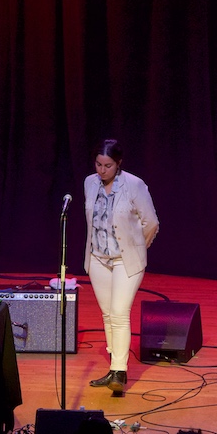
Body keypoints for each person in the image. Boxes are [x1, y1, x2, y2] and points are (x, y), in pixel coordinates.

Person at [84, 138, 159, 394]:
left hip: (126, 259)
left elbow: (151, 223)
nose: (101, 170)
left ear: (119, 164)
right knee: (107, 314)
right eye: (98, 164)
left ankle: (120, 371)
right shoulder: (89, 183)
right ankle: (114, 369)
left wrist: (138, 246)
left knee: (119, 312)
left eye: (107, 165)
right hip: (97, 259)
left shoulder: (135, 185)